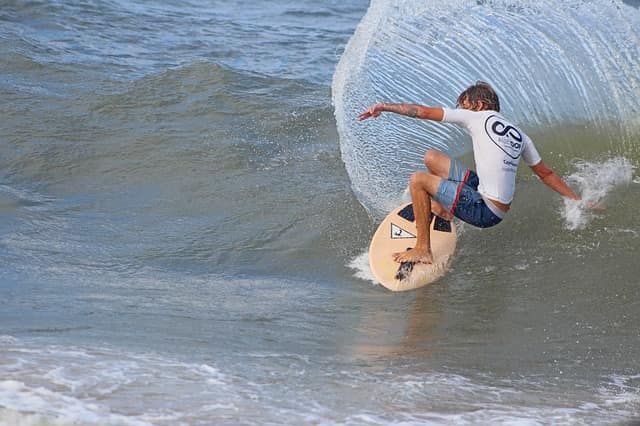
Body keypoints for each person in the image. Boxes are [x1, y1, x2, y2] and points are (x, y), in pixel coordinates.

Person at [358, 81, 581, 265]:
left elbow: (423, 112)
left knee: (418, 181)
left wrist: (384, 107)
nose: (462, 112)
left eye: (464, 107)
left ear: (479, 104)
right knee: (431, 158)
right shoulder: (520, 134)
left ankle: (422, 249)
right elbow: (546, 174)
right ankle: (444, 211)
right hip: (485, 195)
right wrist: (578, 200)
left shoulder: (477, 117)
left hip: (485, 210)